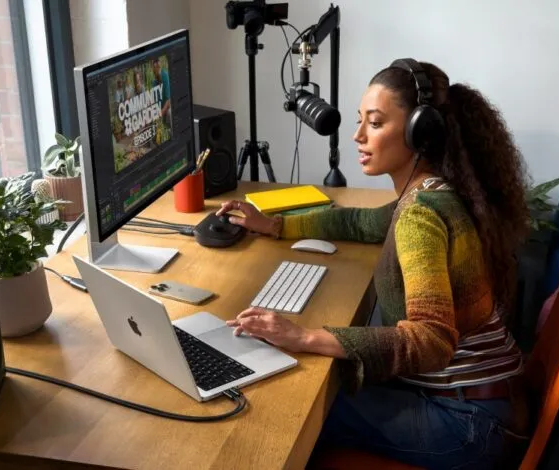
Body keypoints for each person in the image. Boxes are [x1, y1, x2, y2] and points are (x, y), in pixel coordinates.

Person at [216, 59, 531, 469]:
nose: (357, 135)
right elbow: (359, 220)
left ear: (421, 132)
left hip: (468, 423)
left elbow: (430, 340)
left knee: (289, 409)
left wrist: (306, 336)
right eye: (361, 120)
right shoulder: (431, 192)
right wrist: (274, 225)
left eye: (375, 123)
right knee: (312, 385)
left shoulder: (422, 213)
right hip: (490, 401)